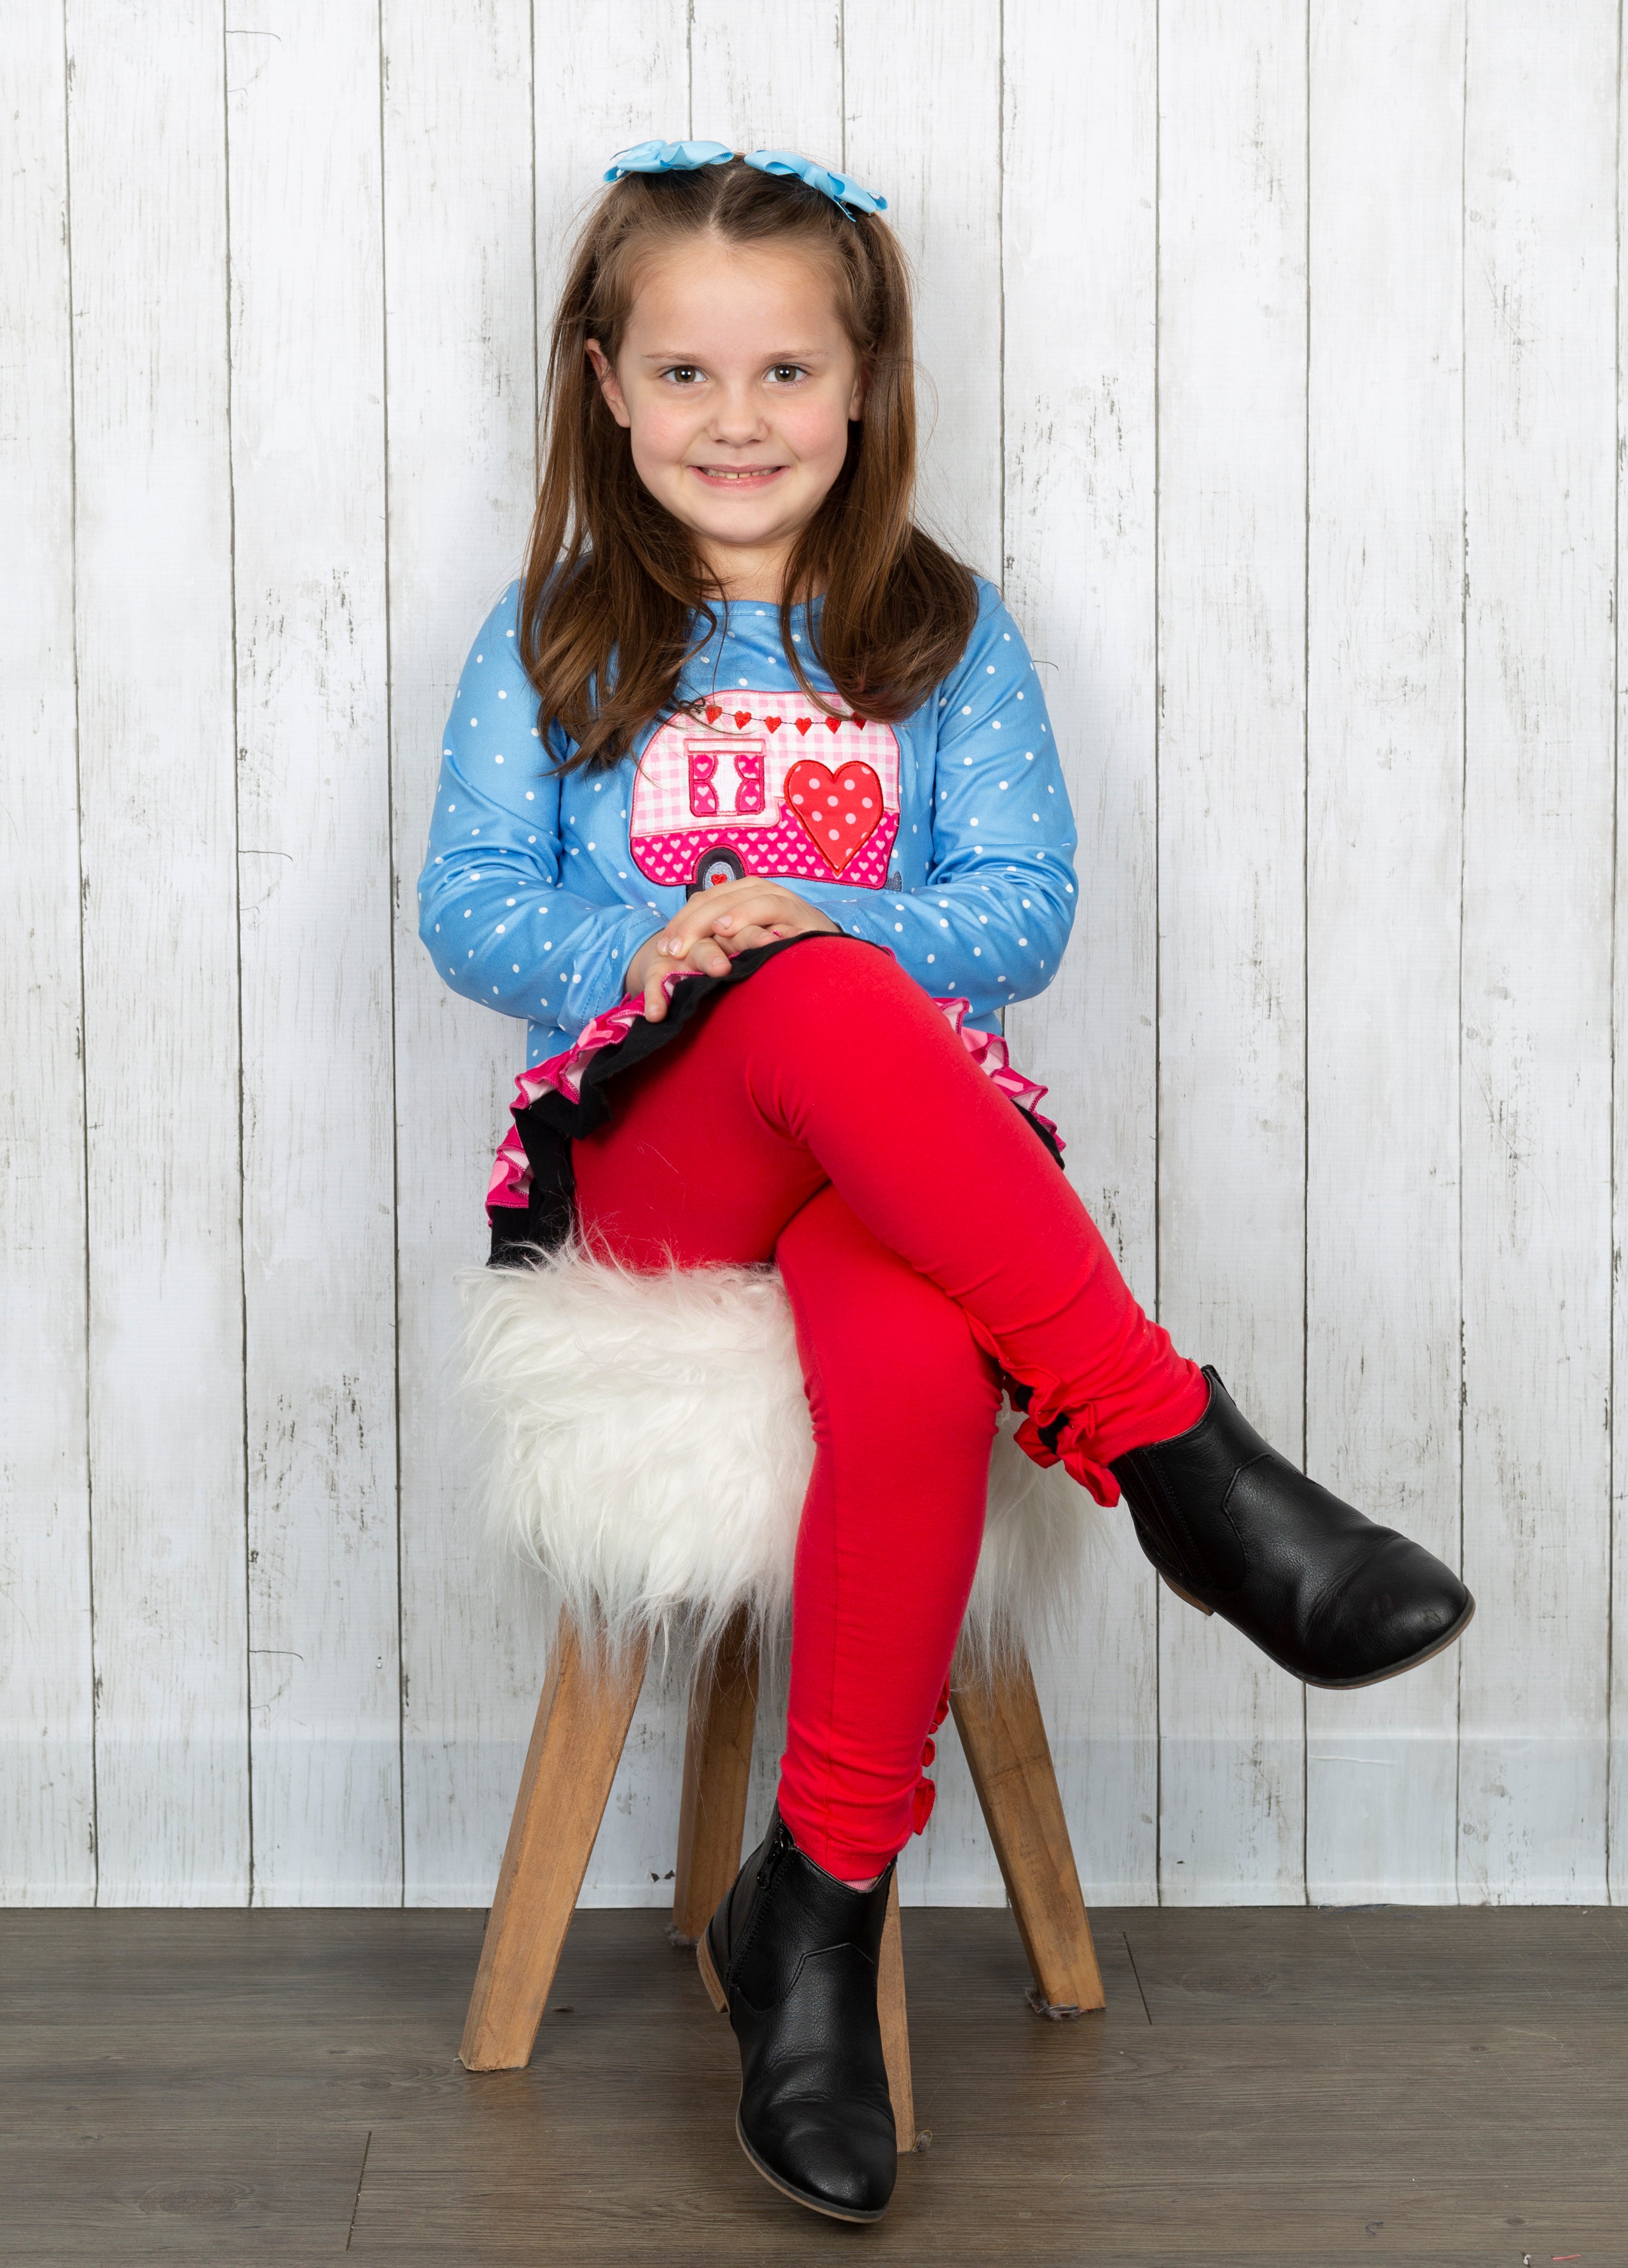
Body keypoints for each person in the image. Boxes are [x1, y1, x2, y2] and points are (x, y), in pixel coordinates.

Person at [418, 139, 1472, 2226]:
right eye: (687, 372)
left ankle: (811, 1912)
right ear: (606, 386)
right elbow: (468, 907)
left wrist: (825, 916)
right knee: (798, 981)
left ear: (868, 383)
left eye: (788, 371)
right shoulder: (550, 634)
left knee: (908, 1335)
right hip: (658, 1162)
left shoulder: (942, 634)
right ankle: (1177, 1451)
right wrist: (659, 938)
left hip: (898, 1167)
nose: (738, 419)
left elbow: (1022, 906)